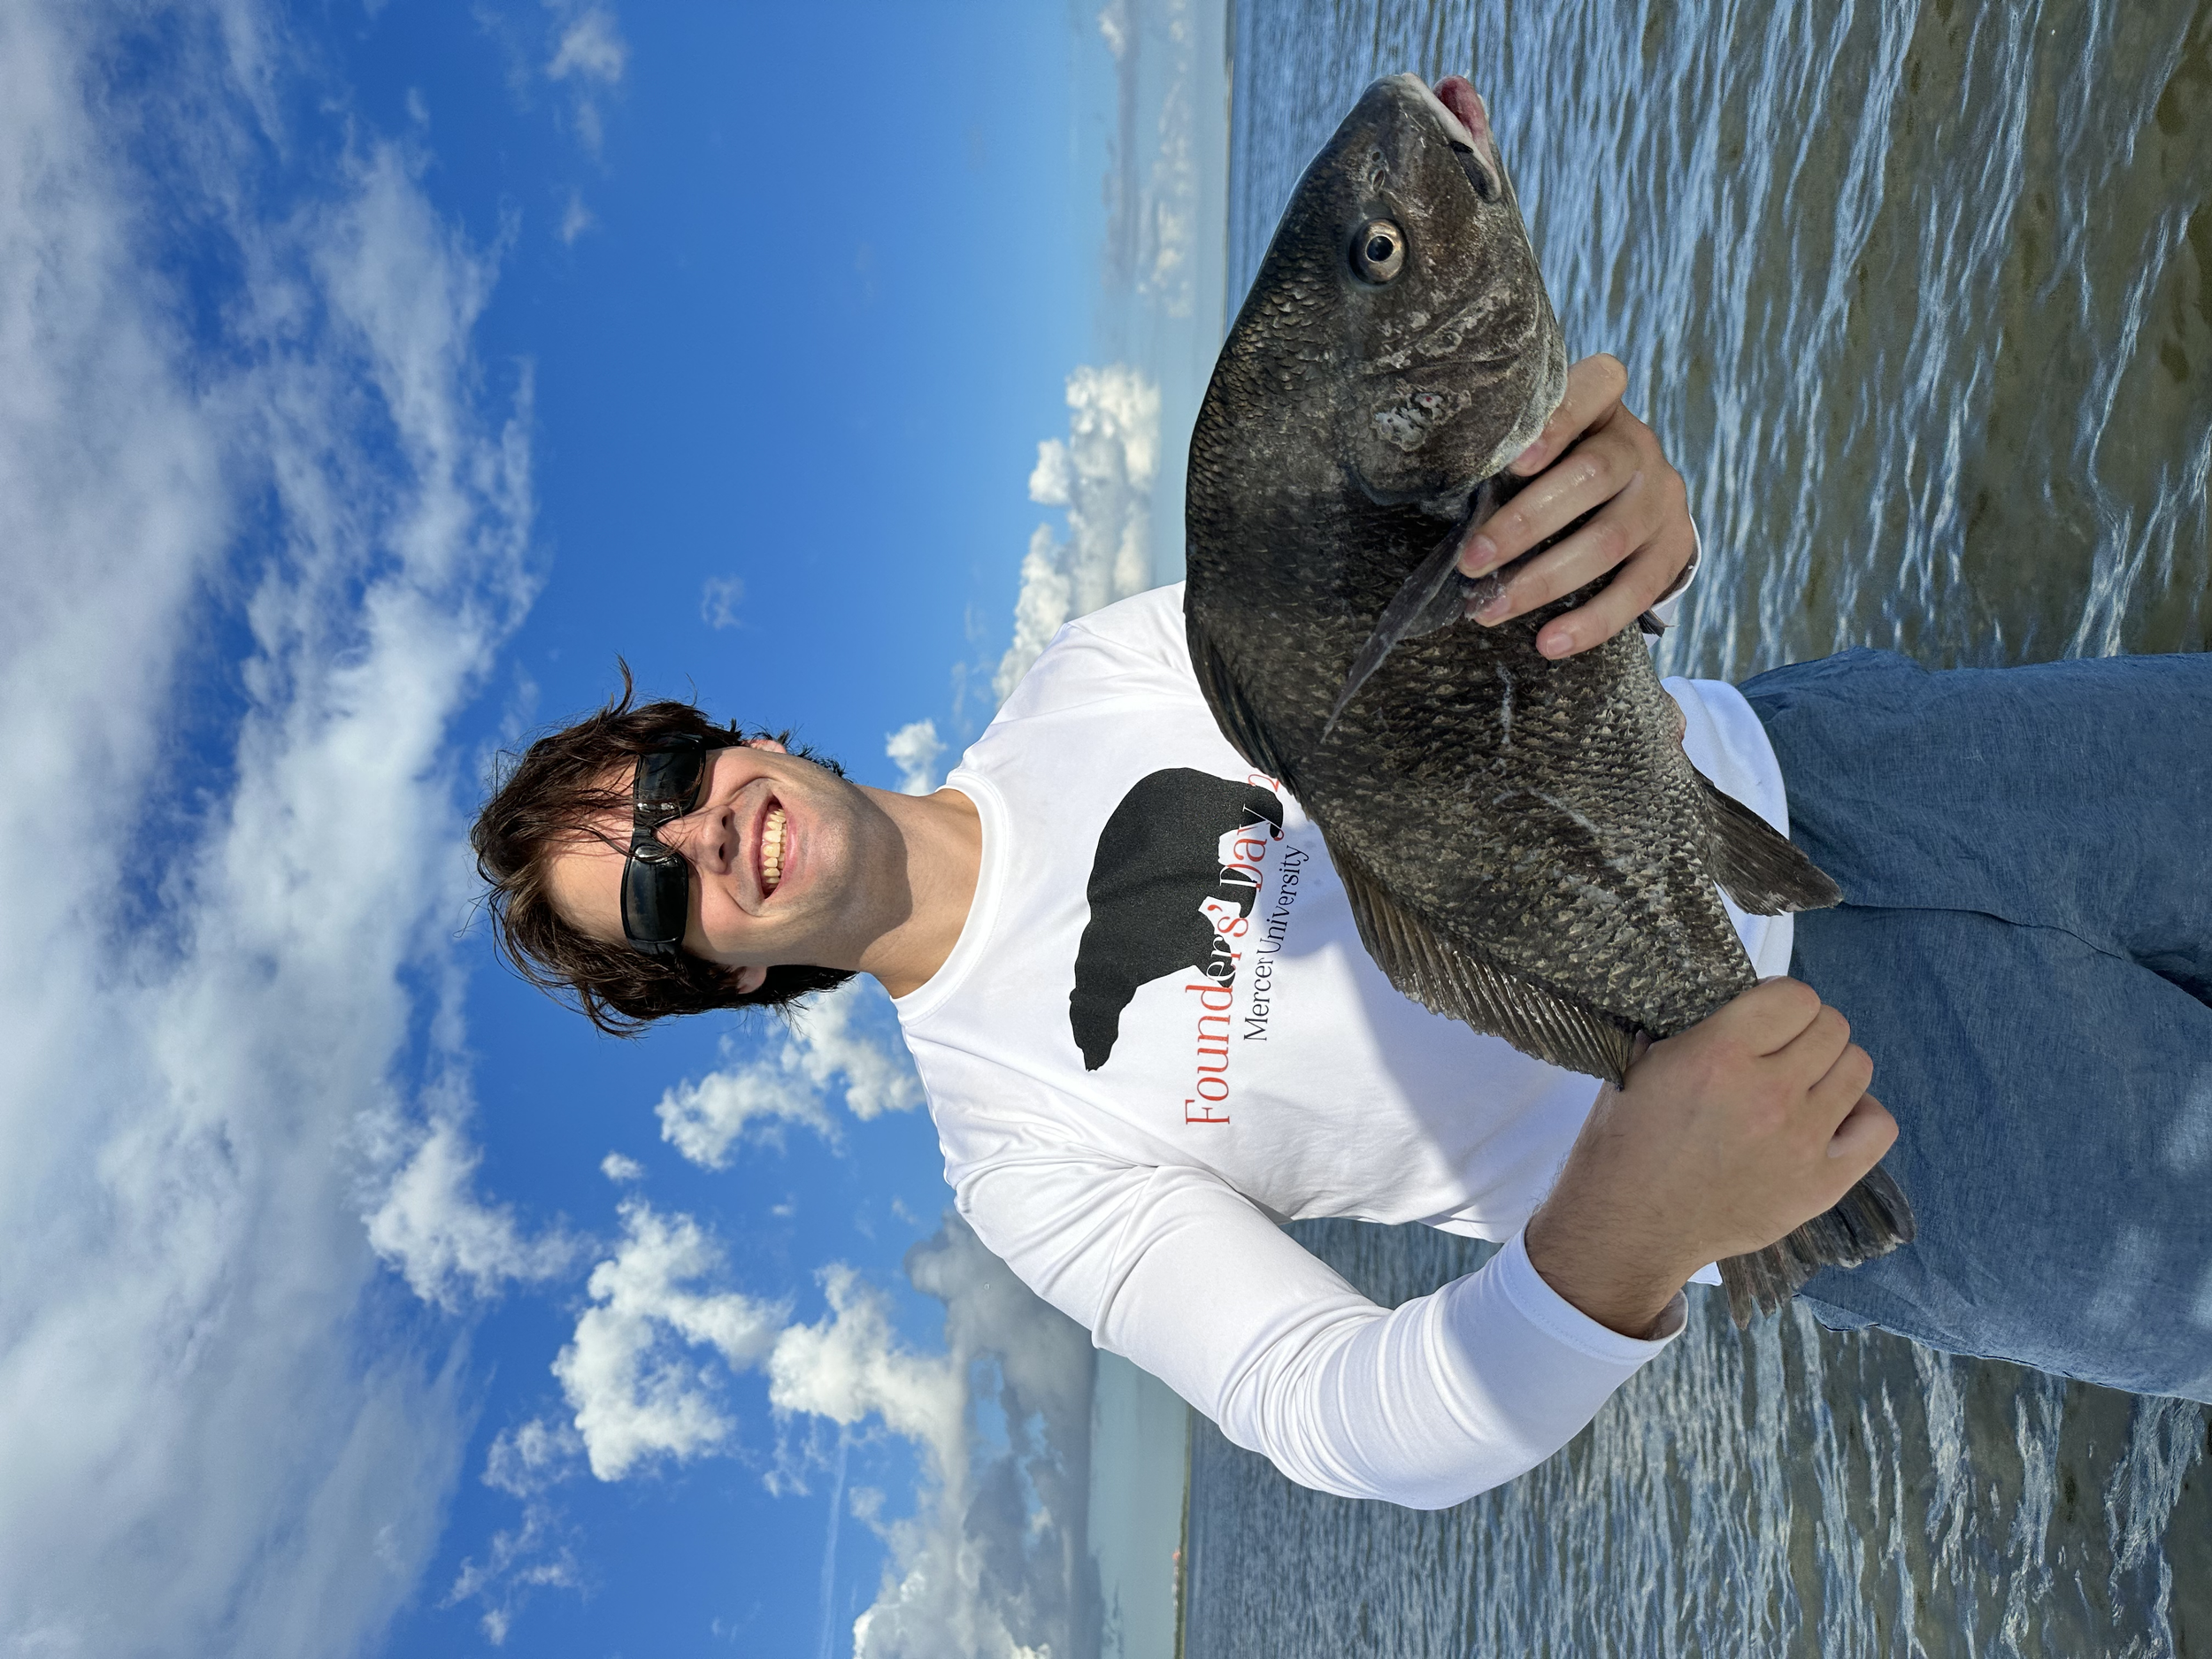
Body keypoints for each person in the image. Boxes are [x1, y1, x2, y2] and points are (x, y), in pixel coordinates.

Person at [472, 356, 2212, 1509]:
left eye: (675, 775)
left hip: (1831, 765)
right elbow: (1326, 1408)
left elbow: (1457, 599)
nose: (698, 826)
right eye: (653, 886)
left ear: (743, 740)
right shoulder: (1020, 1148)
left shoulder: (1088, 672)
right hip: (1835, 1123)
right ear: (728, 976)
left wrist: (1600, 527)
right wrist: (1620, 1225)